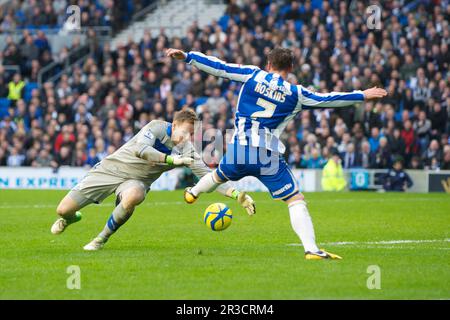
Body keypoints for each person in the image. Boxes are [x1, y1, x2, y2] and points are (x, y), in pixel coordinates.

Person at [167, 47, 387, 260]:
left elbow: (219, 67)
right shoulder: (296, 93)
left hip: (239, 148)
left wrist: (187, 57)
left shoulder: (252, 74)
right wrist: (362, 95)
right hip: (267, 155)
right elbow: (327, 99)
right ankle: (311, 250)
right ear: (290, 67)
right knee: (294, 200)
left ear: (269, 64)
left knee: (218, 176)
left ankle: (193, 193)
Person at [50, 109, 255, 251]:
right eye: (185, 131)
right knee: (63, 210)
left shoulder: (187, 151)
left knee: (134, 196)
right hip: (109, 170)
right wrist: (171, 159)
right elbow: (141, 150)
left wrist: (237, 195)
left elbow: (210, 177)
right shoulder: (156, 127)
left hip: (136, 182)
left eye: (192, 134)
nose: (187, 137)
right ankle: (70, 219)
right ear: (174, 125)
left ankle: (100, 239)